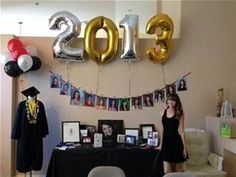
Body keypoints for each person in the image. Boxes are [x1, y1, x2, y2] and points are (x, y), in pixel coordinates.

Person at [157, 93, 188, 174]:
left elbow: (181, 131)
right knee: (167, 171)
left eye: (173, 100)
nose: (171, 101)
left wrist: (185, 148)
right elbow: (162, 130)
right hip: (166, 143)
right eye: (169, 99)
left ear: (176, 102)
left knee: (179, 171)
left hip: (176, 143)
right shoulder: (162, 113)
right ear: (167, 101)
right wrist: (161, 144)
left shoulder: (180, 113)